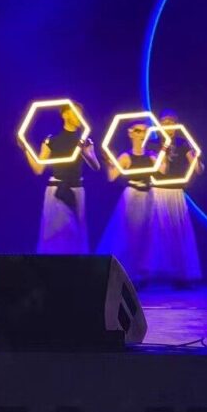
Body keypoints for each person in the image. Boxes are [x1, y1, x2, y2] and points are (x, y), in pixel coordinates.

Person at [22, 104, 100, 254]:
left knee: (76, 235)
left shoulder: (84, 141)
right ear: (65, 115)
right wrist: (25, 148)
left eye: (81, 113)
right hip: (56, 191)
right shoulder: (51, 141)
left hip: (76, 190)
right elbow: (38, 169)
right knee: (53, 234)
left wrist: (87, 153)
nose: (80, 117)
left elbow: (96, 166)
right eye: (75, 112)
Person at [145, 110, 202, 285]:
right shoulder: (153, 143)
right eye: (164, 122)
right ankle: (150, 274)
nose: (168, 125)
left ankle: (180, 275)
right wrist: (164, 149)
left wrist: (196, 157)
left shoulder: (182, 143)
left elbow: (198, 169)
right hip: (157, 192)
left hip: (176, 192)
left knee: (178, 232)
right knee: (155, 233)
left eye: (171, 122)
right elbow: (159, 169)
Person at [98, 120, 156, 281]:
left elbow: (163, 171)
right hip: (133, 197)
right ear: (130, 133)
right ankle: (129, 273)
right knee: (130, 234)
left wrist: (165, 152)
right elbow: (112, 177)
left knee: (146, 235)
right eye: (138, 131)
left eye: (144, 131)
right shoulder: (125, 156)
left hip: (149, 196)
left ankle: (141, 272)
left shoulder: (152, 156)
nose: (142, 134)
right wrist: (108, 162)